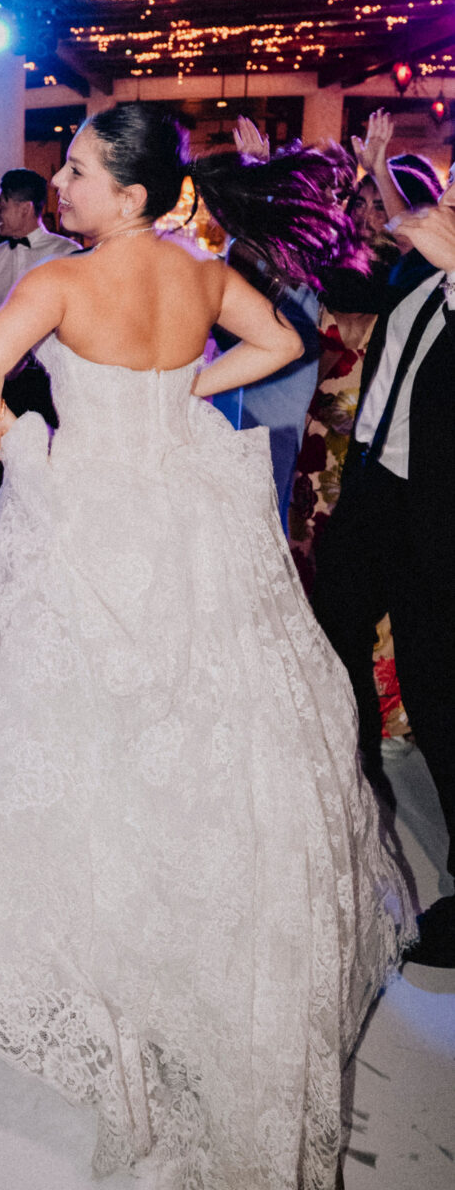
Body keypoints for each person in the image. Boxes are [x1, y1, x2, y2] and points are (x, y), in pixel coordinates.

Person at [0, 104, 412, 1189]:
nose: (62, 182)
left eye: (77, 171)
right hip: (187, 511)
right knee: (206, 721)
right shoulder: (197, 272)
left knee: (77, 718)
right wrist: (186, 389)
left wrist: (3, 430)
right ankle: (188, 940)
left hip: (87, 511)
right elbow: (283, 343)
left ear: (128, 194)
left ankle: (98, 940)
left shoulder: (59, 284)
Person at [311, 128, 455, 972]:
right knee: (332, 635)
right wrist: (374, 178)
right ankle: (345, 792)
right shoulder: (418, 270)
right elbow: (402, 230)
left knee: (440, 689)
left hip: (436, 514)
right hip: (375, 487)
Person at [0, 168, 78, 505]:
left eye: (2, 204)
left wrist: (24, 353)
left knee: (53, 468)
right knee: (0, 468)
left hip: (52, 380)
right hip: (4, 382)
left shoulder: (68, 254)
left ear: (26, 207)